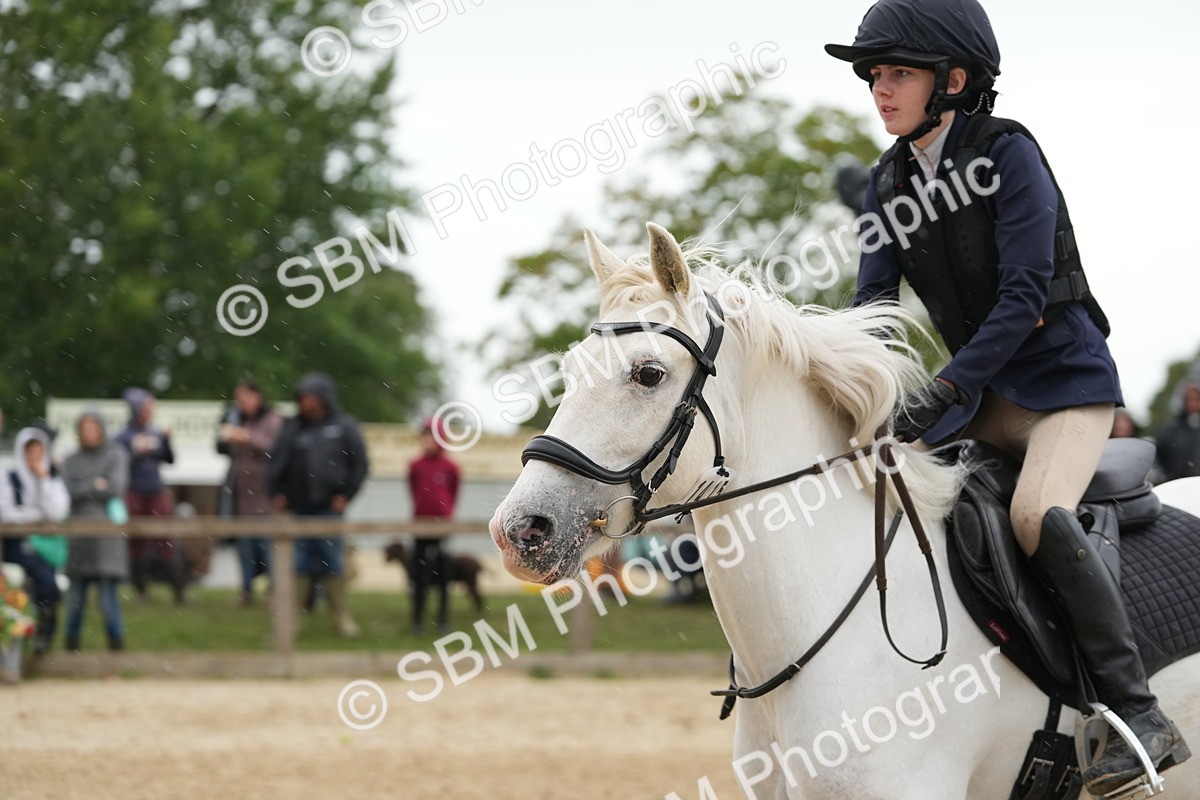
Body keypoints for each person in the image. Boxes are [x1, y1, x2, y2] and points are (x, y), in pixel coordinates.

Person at [826, 0, 1189, 792]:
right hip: (981, 398)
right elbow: (872, 309)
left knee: (1031, 517)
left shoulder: (1008, 152)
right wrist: (846, 389)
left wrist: (948, 385)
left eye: (897, 74)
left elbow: (1024, 293)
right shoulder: (888, 181)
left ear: (953, 81)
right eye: (874, 76)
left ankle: (1140, 715)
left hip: (1064, 388)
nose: (879, 91)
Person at [268, 373, 368, 637]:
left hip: (329, 510)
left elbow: (360, 465)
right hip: (299, 509)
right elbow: (276, 463)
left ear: (323, 398)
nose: (305, 402)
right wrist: (277, 492)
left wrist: (346, 494)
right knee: (299, 563)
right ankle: (294, 621)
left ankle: (341, 618)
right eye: (302, 397)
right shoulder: (292, 428)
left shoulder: (344, 427)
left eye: (310, 397)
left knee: (333, 561)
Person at [61, 410, 130, 651]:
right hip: (80, 536)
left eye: (93, 426)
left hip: (106, 537)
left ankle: (117, 648)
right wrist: (96, 483)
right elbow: (68, 490)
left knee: (108, 599)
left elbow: (115, 487)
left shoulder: (116, 455)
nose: (88, 432)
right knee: (76, 599)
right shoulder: (71, 460)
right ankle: (71, 647)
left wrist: (85, 486)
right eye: (84, 427)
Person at [0, 424, 70, 655]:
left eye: (39, 452)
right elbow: (6, 512)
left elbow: (58, 512)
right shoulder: (9, 477)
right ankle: (30, 632)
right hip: (17, 547)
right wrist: (36, 517)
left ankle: (42, 632)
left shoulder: (51, 478)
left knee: (48, 585)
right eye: (30, 452)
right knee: (38, 584)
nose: (34, 458)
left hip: (44, 548)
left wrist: (44, 481)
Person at [114, 388, 186, 603]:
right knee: (136, 541)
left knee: (166, 540)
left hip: (156, 491)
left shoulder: (155, 433)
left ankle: (179, 590)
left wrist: (166, 441)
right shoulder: (123, 437)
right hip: (134, 492)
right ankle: (141, 590)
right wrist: (137, 453)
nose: (149, 412)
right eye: (146, 407)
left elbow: (170, 459)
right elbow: (120, 465)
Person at [217, 378, 284, 606]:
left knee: (267, 549)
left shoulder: (273, 420)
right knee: (245, 549)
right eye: (238, 400)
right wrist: (225, 435)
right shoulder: (237, 419)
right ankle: (246, 591)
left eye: (244, 398)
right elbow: (220, 448)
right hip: (242, 498)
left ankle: (273, 592)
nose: (240, 403)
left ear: (257, 397)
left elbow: (275, 448)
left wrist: (247, 438)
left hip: (265, 498)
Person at [407, 419, 461, 633]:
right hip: (420, 527)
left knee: (443, 572)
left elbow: (453, 494)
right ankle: (417, 620)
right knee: (419, 574)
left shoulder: (450, 468)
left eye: (431, 436)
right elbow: (413, 491)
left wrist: (445, 516)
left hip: (442, 528)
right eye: (424, 436)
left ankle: (443, 619)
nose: (427, 441)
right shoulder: (415, 466)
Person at [1154, 381, 1200, 482]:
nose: (1194, 403)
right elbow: (1160, 457)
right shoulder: (1170, 430)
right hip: (1178, 485)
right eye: (1190, 400)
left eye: (1197, 399)